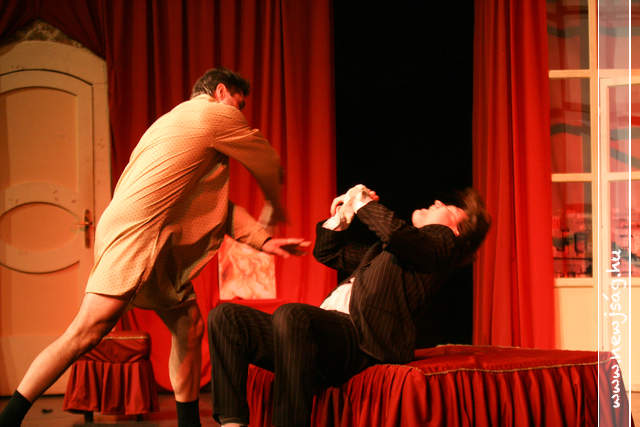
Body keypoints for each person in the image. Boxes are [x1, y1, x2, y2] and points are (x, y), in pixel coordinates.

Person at [0, 67, 309, 427]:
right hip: (139, 235)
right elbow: (267, 161)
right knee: (86, 331)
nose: (239, 115)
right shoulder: (213, 114)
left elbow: (211, 207)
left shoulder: (173, 124)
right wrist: (274, 208)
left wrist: (262, 240)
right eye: (238, 105)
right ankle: (9, 419)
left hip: (146, 237)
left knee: (189, 326)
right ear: (220, 92)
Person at [207, 184, 491, 427]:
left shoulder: (442, 245)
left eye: (450, 209)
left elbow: (397, 234)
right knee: (226, 317)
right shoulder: (390, 253)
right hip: (323, 336)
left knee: (292, 314)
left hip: (360, 341)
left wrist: (361, 201)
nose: (438, 202)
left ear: (455, 231)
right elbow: (329, 252)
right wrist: (343, 217)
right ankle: (233, 422)